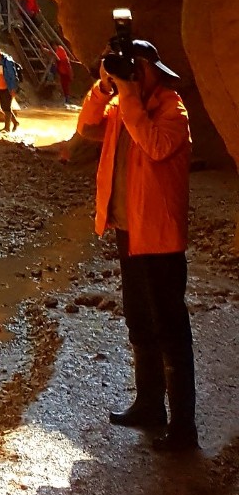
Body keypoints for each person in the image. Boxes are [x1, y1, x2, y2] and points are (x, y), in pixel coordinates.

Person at [78, 38, 196, 451]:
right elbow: (86, 127)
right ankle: (149, 405)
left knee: (171, 330)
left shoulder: (171, 108)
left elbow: (157, 146)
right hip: (129, 231)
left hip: (160, 237)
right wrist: (103, 88)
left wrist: (128, 97)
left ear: (150, 72)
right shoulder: (119, 105)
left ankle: (184, 427)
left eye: (135, 69)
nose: (130, 76)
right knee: (139, 321)